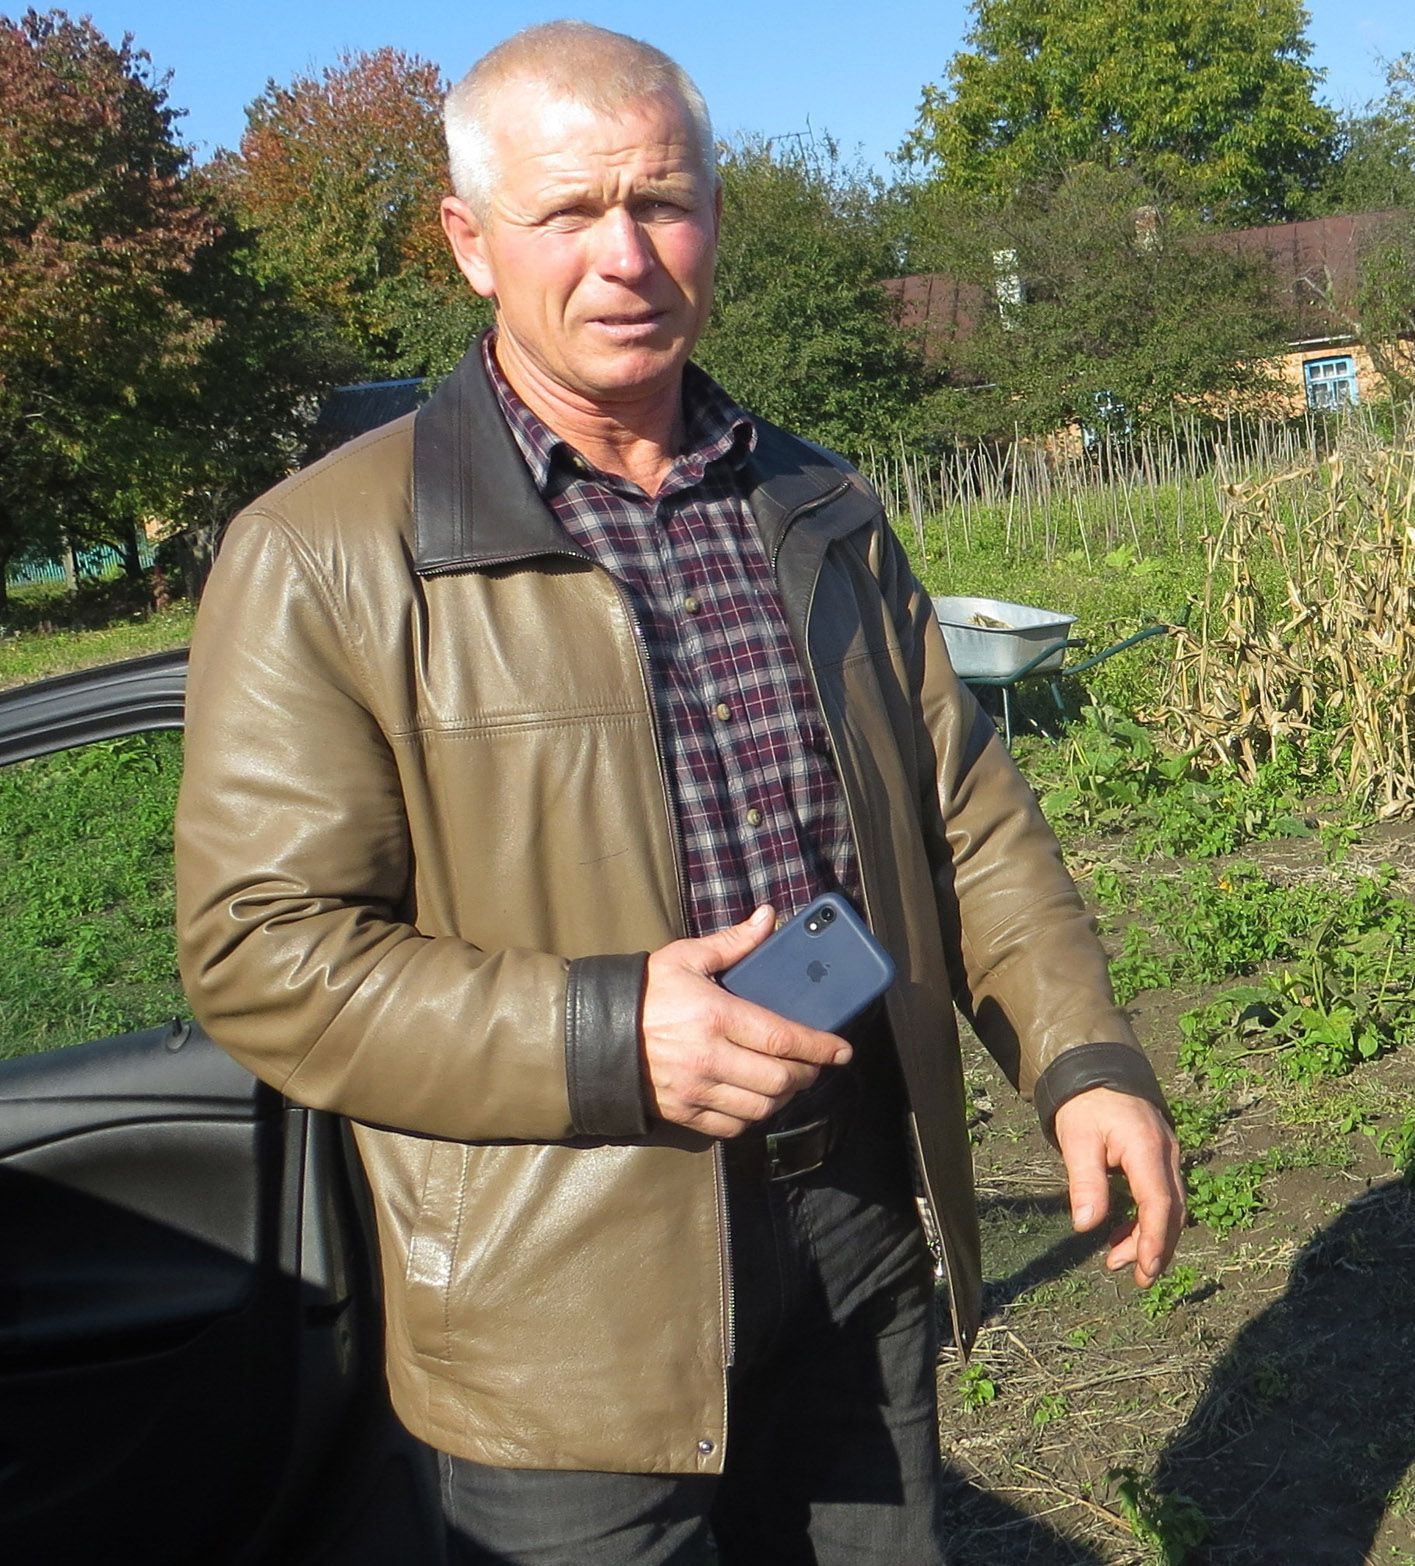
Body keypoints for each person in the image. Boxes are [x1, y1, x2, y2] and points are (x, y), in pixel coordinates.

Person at [172, 22, 1181, 1564]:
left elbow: (967, 815)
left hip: (852, 1222)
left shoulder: (816, 501)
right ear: (470, 243)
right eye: (568, 212)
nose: (623, 255)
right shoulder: (323, 553)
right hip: (558, 1306)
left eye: (663, 201)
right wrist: (605, 1030)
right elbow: (262, 949)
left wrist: (1083, 1056)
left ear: (716, 213)